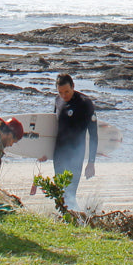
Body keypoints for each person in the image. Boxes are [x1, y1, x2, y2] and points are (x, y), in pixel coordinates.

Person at [50, 73, 99, 210]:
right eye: (60, 92)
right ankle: (69, 220)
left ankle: (77, 218)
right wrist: (43, 153)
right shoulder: (57, 101)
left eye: (67, 91)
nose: (64, 95)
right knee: (59, 194)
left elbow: (94, 135)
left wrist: (91, 162)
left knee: (70, 194)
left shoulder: (85, 104)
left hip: (75, 156)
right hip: (59, 154)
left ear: (73, 87)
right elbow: (51, 131)